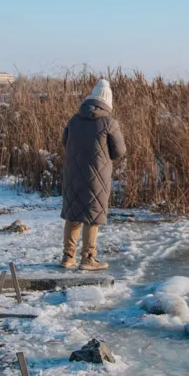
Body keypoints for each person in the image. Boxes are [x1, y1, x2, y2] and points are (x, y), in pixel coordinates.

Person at [60, 78, 126, 270]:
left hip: (73, 172)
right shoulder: (109, 122)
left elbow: (65, 142)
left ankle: (67, 257)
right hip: (97, 175)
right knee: (92, 215)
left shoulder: (74, 119)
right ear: (107, 101)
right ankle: (88, 258)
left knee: (73, 214)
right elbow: (119, 151)